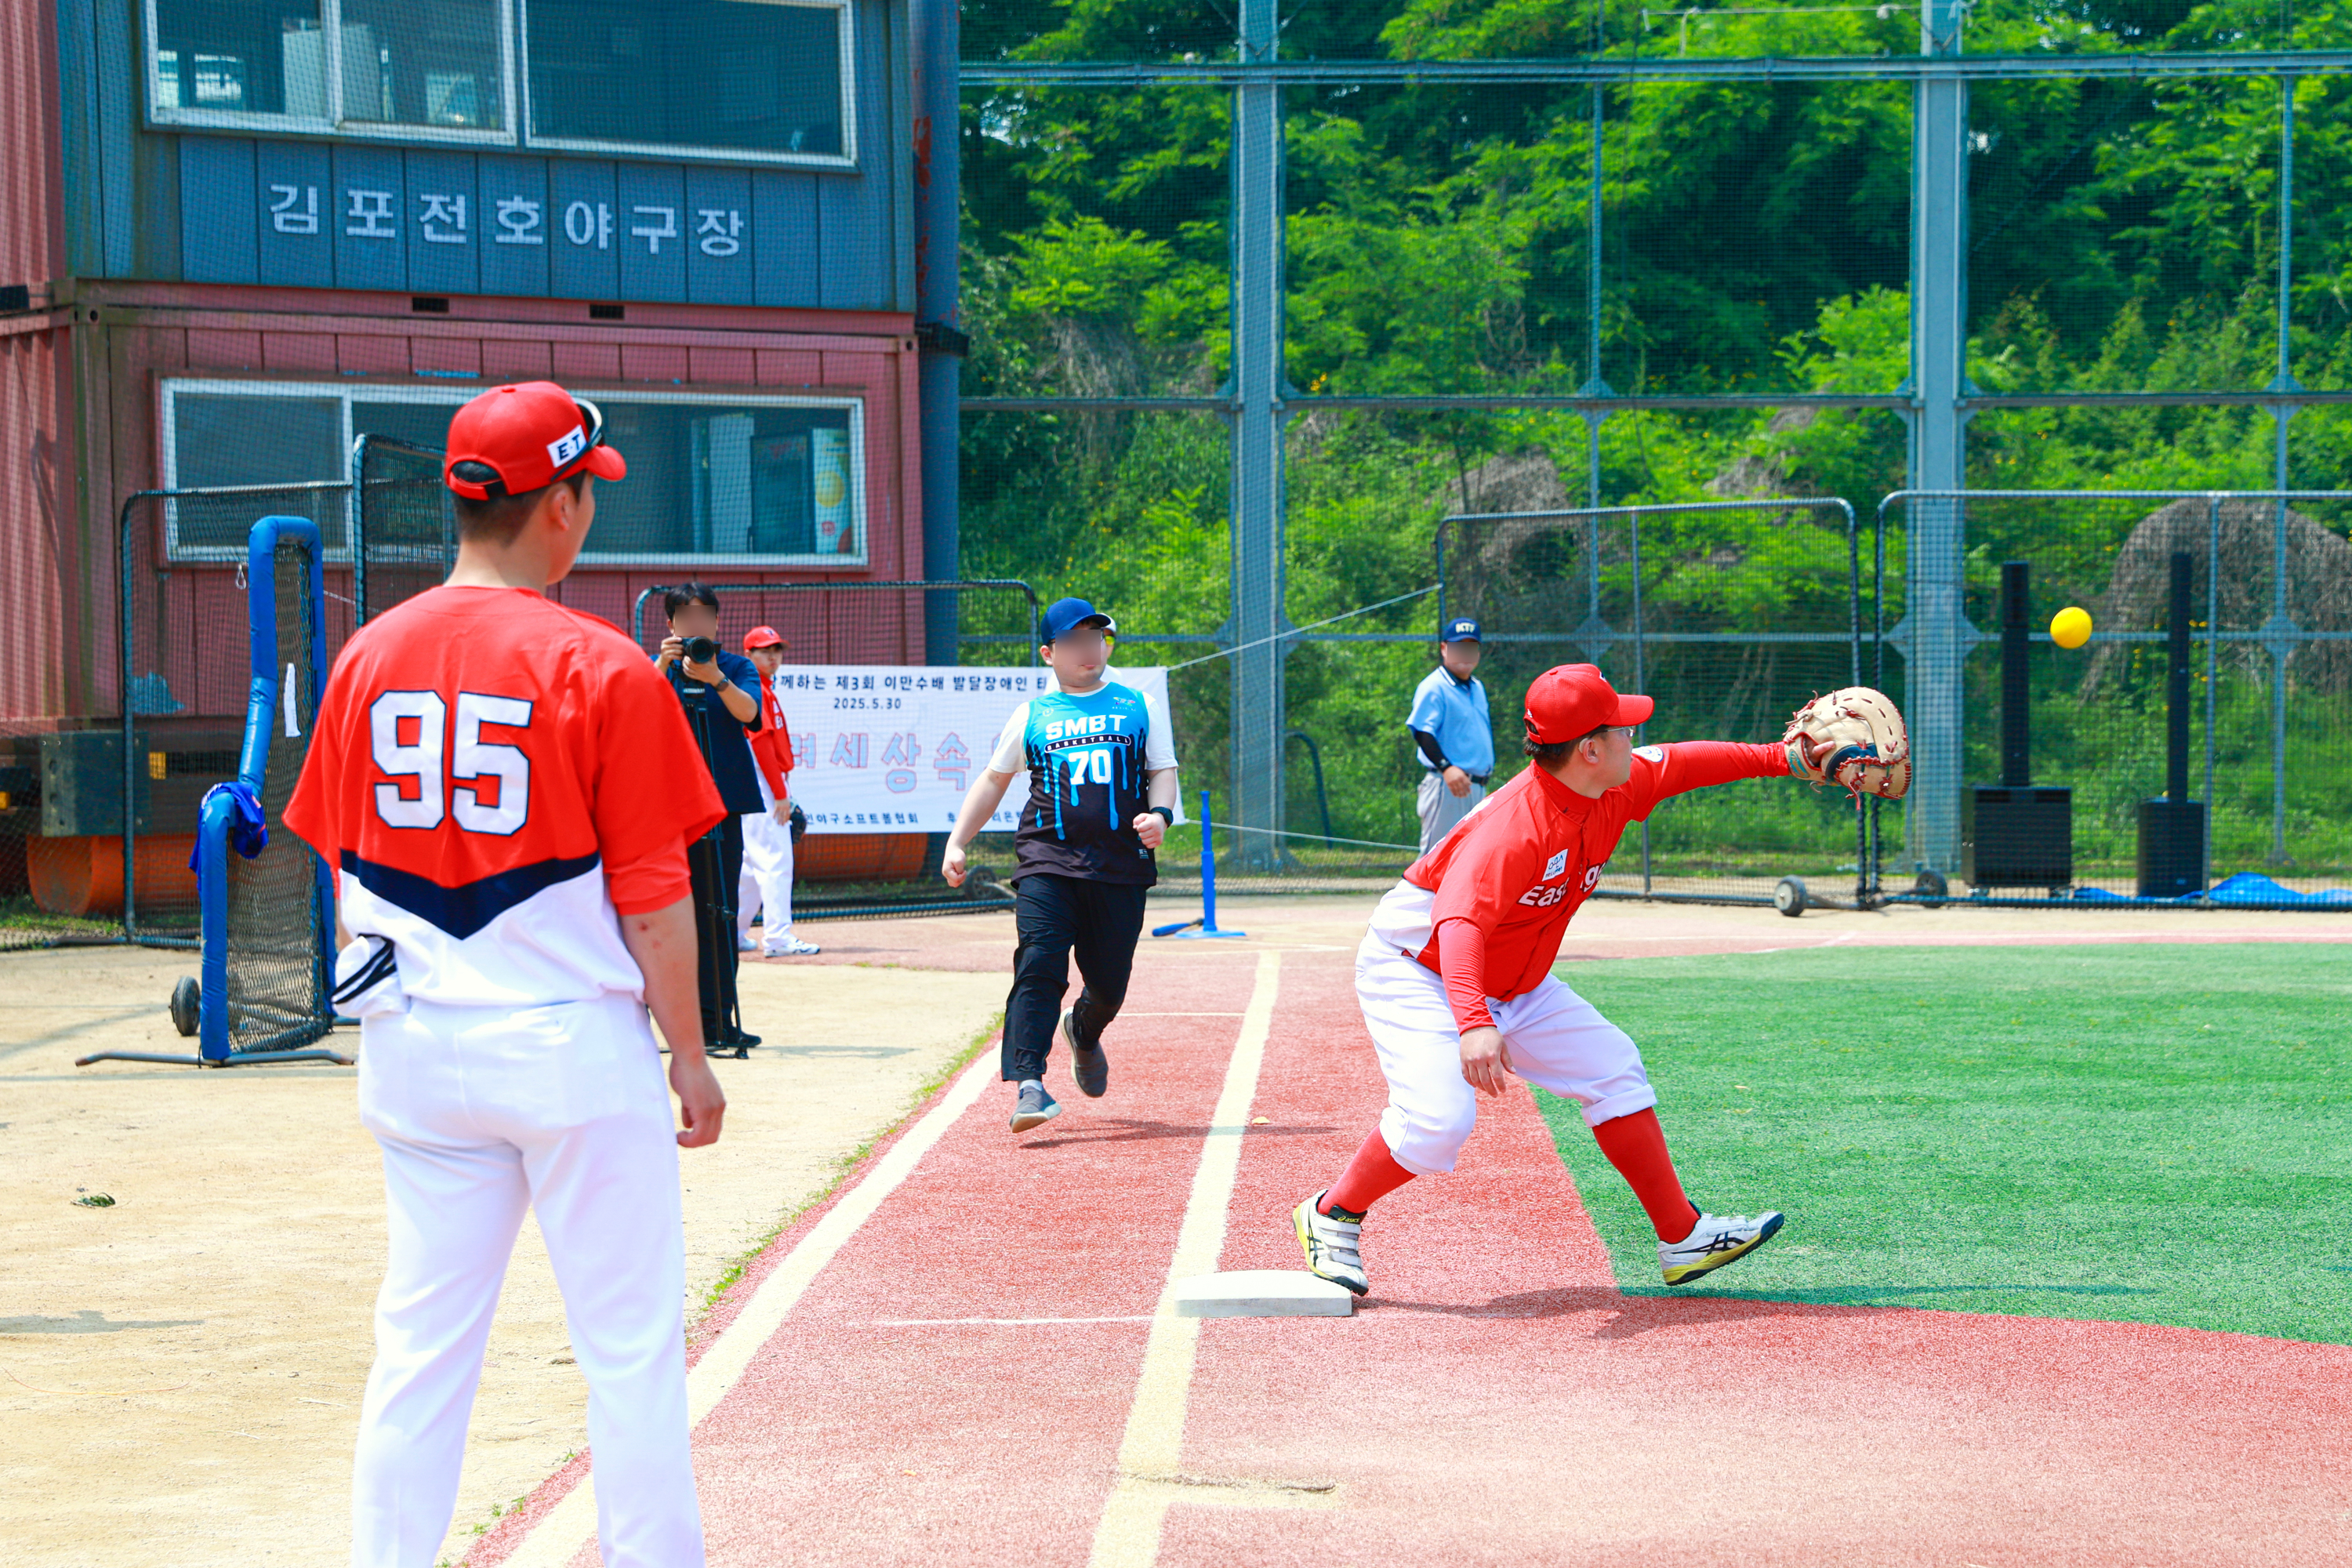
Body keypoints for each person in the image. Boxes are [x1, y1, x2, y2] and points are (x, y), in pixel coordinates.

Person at [282, 379, 726, 1568]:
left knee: (420, 1348)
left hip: (415, 1043)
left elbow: (337, 850)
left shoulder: (370, 654)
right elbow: (656, 899)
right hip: (567, 1044)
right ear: (561, 507)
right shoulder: (604, 665)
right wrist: (691, 1056)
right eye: (588, 491)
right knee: (628, 1351)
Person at [1294, 662, 1818, 1300]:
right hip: (1422, 969)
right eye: (1622, 727)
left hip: (1513, 975)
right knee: (1438, 1121)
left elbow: (1684, 762)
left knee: (1613, 1067)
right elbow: (1457, 924)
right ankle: (1332, 1213)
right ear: (1589, 748)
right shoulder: (1515, 827)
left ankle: (1683, 1237)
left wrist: (1784, 758)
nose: (1634, 735)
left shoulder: (1609, 781)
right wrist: (1474, 1024)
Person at [939, 597, 1178, 1133]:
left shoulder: (1138, 705)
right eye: (1074, 642)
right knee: (1040, 963)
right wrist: (958, 841)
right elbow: (994, 781)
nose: (1088, 650)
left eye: (1097, 639)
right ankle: (1029, 1084)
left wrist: (1160, 815)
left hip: (1120, 868)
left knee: (1110, 984)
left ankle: (1085, 1031)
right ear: (1049, 653)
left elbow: (1162, 770)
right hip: (1047, 862)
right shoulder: (1033, 715)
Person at [653, 583, 765, 1048]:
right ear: (671, 625)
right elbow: (631, 708)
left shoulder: (736, 667)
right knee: (662, 915)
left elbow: (751, 713)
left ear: (717, 623)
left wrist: (716, 678)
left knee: (721, 913)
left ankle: (717, 1021)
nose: (696, 625)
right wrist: (661, 665)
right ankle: (660, 1023)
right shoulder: (661, 671)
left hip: (723, 807)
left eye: (705, 616)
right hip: (667, 810)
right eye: (686, 617)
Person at [737, 625, 818, 957]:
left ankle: (732, 931)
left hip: (758, 782)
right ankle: (778, 937)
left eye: (777, 650)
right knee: (775, 860)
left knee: (749, 865)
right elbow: (762, 745)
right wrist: (779, 794)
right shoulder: (755, 689)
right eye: (764, 650)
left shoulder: (762, 689)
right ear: (749, 655)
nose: (773, 656)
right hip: (762, 781)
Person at [1408, 616, 1494, 853]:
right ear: (1444, 648)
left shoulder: (1477, 686)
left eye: (1471, 647)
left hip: (1476, 787)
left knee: (1468, 861)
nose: (1465, 653)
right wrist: (1446, 767)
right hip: (1448, 785)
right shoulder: (1434, 685)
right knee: (1434, 860)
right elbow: (1422, 730)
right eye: (1459, 646)